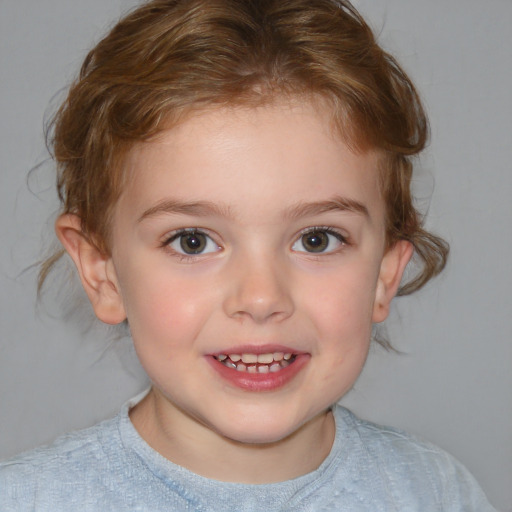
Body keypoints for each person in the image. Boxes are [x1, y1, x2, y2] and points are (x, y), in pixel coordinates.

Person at [0, 0, 496, 510]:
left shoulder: (437, 494)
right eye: (192, 241)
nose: (261, 298)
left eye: (317, 239)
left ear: (384, 276)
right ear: (101, 272)